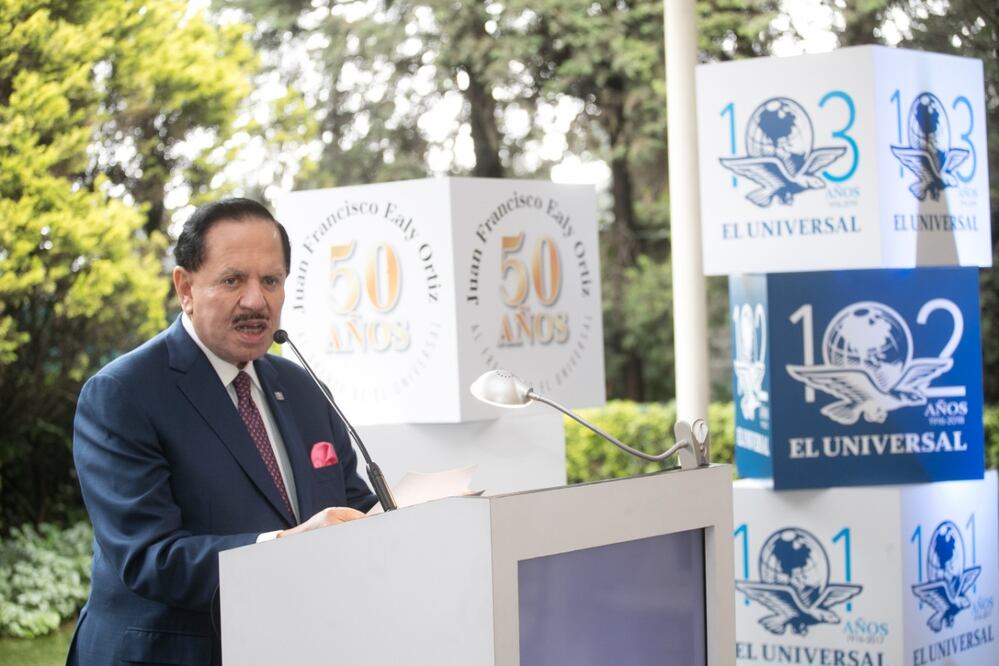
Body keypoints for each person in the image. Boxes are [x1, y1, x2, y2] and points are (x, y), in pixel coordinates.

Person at [68, 198, 377, 665]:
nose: (256, 301)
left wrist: (415, 512)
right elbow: (149, 556)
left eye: (270, 281)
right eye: (233, 280)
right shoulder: (122, 394)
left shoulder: (303, 387)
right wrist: (281, 550)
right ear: (185, 287)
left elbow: (349, 505)